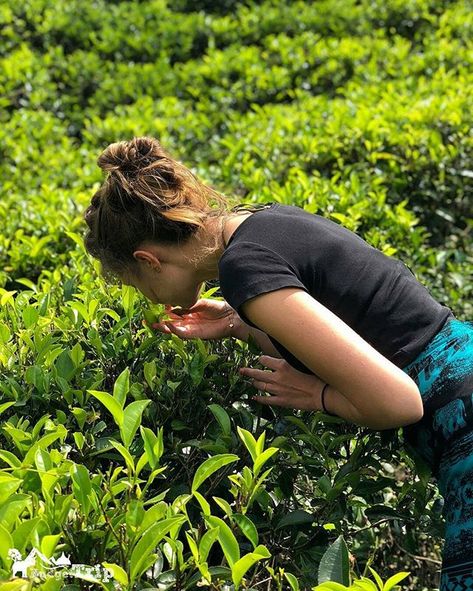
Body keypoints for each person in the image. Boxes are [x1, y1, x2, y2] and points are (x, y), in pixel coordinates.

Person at [84, 136, 473, 590]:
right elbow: (353, 319)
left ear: (147, 260)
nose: (147, 298)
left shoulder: (244, 270)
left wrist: (319, 395)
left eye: (136, 285)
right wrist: (237, 322)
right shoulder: (262, 222)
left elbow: (400, 402)